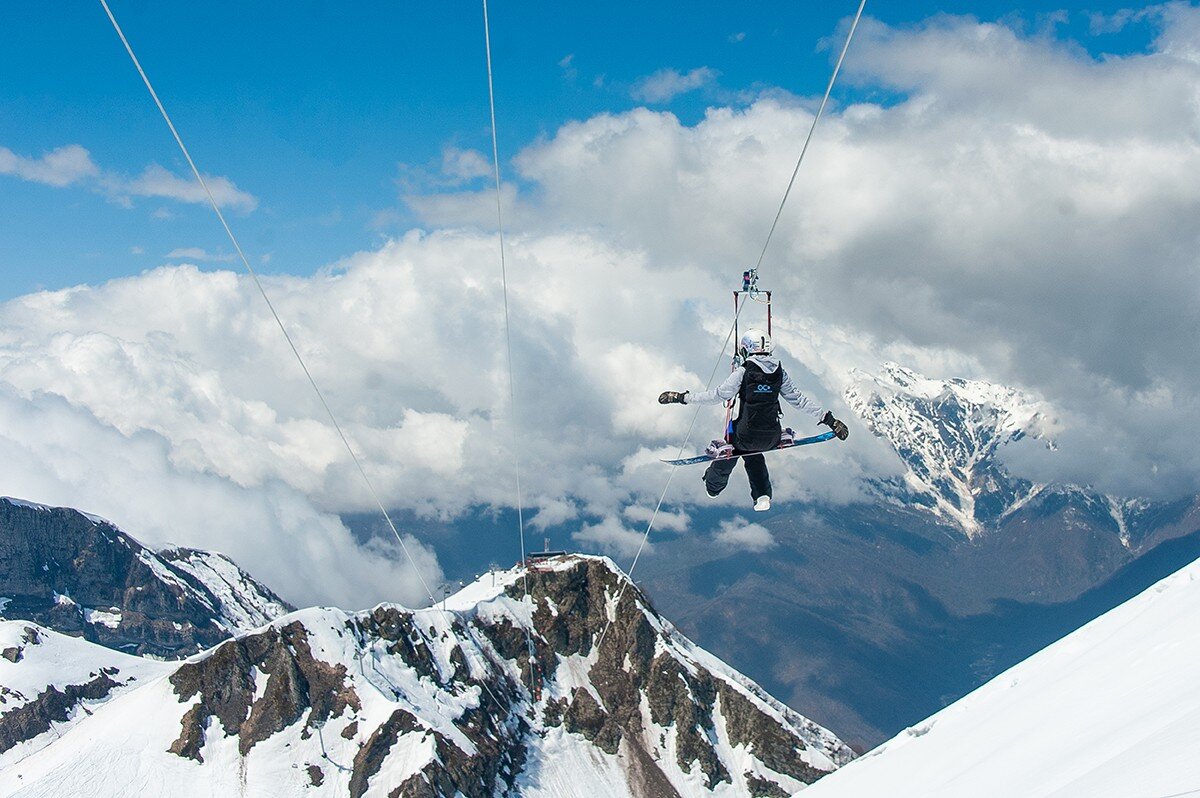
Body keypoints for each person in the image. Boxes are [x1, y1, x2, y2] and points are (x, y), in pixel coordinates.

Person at [658, 329, 848, 511]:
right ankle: (762, 495)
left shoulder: (743, 372)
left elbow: (717, 396)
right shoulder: (780, 373)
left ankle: (713, 487)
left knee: (731, 450)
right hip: (771, 436)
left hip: (744, 436)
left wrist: (681, 397)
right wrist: (830, 420)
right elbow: (799, 401)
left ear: (747, 348)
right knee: (754, 453)